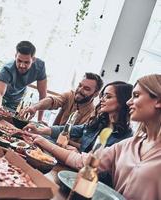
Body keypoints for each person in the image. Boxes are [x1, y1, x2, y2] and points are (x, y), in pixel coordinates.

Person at [32, 74, 161, 199]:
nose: (129, 102)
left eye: (136, 95)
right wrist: (41, 138)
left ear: (158, 101)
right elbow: (83, 162)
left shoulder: (125, 138)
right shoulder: (129, 144)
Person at [24, 81, 133, 153]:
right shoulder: (100, 121)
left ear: (123, 101)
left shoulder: (126, 137)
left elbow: (104, 168)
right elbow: (71, 130)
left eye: (108, 96)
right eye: (103, 95)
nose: (102, 99)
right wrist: (41, 130)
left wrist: (78, 152)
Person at [0, 41, 47, 121]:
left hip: (17, 99)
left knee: (11, 123)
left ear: (33, 59)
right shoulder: (7, 69)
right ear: (15, 56)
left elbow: (43, 95)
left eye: (26, 62)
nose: (22, 65)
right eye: (19, 61)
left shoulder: (40, 67)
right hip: (0, 99)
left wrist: (39, 120)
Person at [20, 72, 103, 125]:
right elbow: (53, 101)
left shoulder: (91, 113)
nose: (80, 90)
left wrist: (49, 130)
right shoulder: (71, 95)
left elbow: (73, 138)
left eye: (86, 89)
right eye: (80, 85)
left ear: (95, 94)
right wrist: (35, 107)